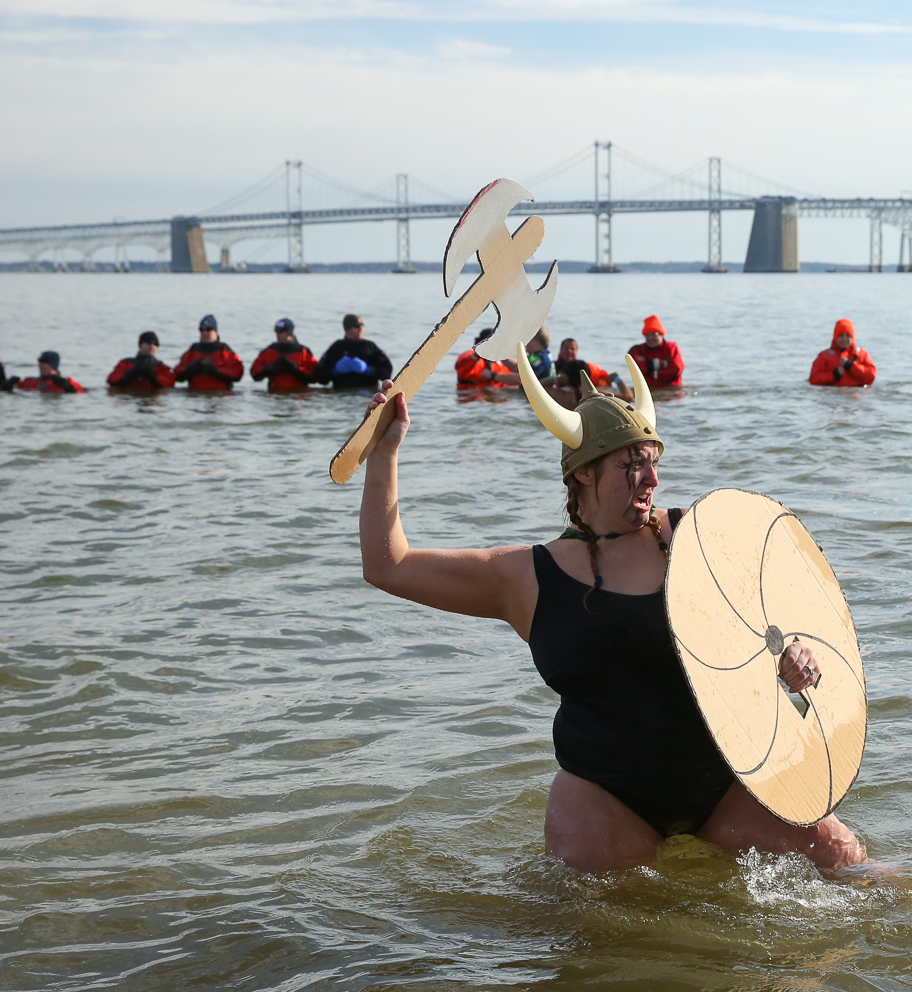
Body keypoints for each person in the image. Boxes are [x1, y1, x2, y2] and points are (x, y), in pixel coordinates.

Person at [355, 356, 866, 874]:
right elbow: (388, 565)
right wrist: (385, 452)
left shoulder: (694, 537)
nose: (653, 478)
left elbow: (789, 613)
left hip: (730, 782)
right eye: (632, 465)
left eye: (653, 460)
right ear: (583, 474)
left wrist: (796, 653)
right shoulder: (525, 577)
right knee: (598, 930)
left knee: (847, 863)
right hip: (605, 800)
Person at [315, 314, 394, 390]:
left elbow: (387, 372)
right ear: (347, 329)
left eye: (362, 325)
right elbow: (319, 376)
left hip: (366, 393)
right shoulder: (337, 347)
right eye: (356, 326)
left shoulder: (370, 346)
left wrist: (369, 370)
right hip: (341, 393)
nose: (360, 328)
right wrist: (334, 371)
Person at [548, 336, 631, 408]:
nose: (569, 351)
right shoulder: (597, 394)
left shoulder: (558, 394)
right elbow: (629, 397)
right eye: (566, 348)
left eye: (572, 349)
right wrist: (617, 378)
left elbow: (542, 385)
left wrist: (558, 380)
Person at [174, 315, 245, 392]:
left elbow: (238, 373)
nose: (204, 333)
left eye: (208, 329)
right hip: (195, 396)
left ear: (215, 331)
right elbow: (176, 374)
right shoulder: (193, 349)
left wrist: (214, 370)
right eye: (201, 330)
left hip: (220, 396)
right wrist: (190, 368)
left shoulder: (223, 350)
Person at [250, 318, 319, 393]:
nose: (277, 335)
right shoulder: (269, 351)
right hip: (275, 395)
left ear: (289, 333)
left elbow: (315, 376)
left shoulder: (303, 352)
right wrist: (271, 367)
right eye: (276, 332)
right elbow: (254, 373)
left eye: (281, 332)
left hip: (298, 398)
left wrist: (293, 368)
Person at [809, 318, 877, 387]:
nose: (844, 339)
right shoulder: (824, 356)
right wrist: (834, 374)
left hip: (855, 394)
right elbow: (813, 379)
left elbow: (871, 377)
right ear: (835, 337)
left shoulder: (862, 354)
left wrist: (850, 365)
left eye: (848, 336)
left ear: (852, 337)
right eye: (841, 336)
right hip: (833, 395)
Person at [628, 315, 684, 388]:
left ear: (662, 335)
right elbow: (637, 369)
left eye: (654, 334)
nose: (650, 338)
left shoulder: (671, 347)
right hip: (648, 390)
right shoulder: (638, 350)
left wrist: (651, 373)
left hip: (671, 391)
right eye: (647, 335)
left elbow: (676, 370)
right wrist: (659, 363)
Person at [107, 332, 176, 391]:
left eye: (155, 344)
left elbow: (170, 384)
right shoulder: (126, 363)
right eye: (149, 343)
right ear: (140, 344)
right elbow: (111, 380)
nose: (152, 346)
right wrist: (130, 372)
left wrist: (152, 374)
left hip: (152, 401)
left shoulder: (161, 366)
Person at [14, 351, 85, 393]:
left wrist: (69, 389)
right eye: (39, 362)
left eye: (43, 362)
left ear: (52, 364)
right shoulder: (29, 381)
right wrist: (7, 385)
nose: (40, 364)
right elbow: (15, 390)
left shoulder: (66, 382)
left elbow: (83, 392)